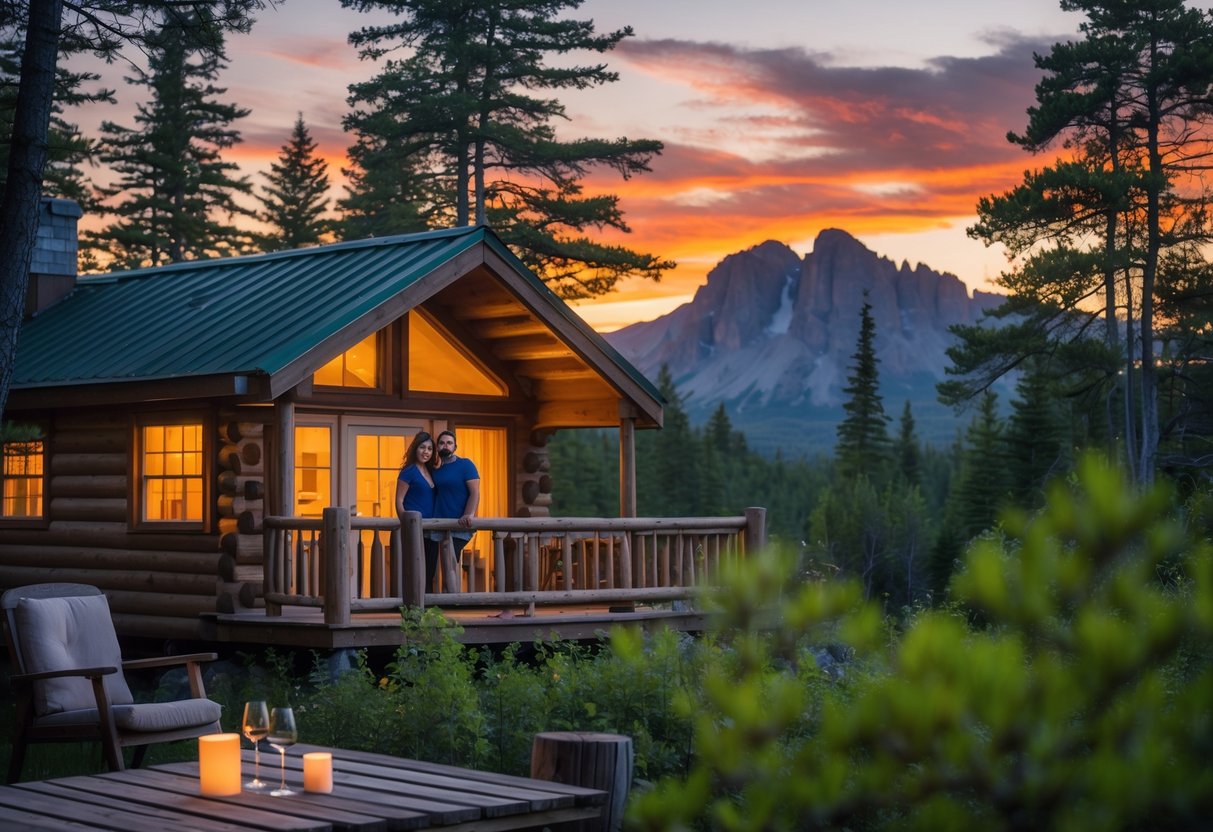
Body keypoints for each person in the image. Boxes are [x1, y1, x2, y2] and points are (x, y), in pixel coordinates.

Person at [430, 429, 480, 589]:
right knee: (438, 565)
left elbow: (475, 493)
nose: (446, 446)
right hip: (438, 523)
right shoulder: (434, 469)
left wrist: (469, 514)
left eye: (449, 443)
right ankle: (442, 600)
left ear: (455, 447)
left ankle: (451, 601)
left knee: (450, 563)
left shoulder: (465, 464)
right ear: (437, 447)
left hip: (459, 524)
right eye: (442, 443)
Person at [395, 431, 441, 593]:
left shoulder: (431, 471)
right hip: (415, 529)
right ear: (415, 448)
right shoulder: (409, 471)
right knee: (416, 570)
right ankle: (414, 608)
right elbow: (399, 501)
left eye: (429, 449)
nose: (426, 452)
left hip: (432, 529)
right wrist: (407, 525)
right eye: (422, 447)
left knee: (430, 570)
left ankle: (426, 609)